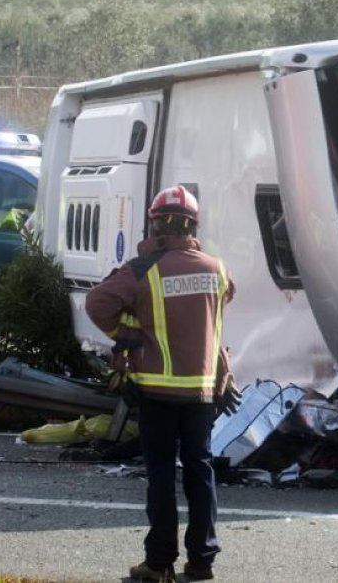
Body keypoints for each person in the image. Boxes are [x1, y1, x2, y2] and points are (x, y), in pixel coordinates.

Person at [84, 185, 237, 583]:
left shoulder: (143, 269)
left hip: (156, 391)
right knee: (200, 473)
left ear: (155, 223)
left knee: (161, 476)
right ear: (193, 226)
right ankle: (202, 562)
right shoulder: (216, 269)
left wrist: (128, 333)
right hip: (203, 391)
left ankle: (158, 563)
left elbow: (97, 303)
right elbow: (221, 305)